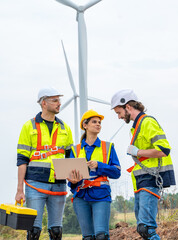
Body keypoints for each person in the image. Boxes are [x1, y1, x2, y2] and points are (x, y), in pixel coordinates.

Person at [111, 89, 175, 240]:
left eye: (119, 112)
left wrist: (138, 152)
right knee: (142, 228)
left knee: (146, 228)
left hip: (151, 178)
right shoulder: (137, 126)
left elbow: (164, 149)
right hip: (142, 180)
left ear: (127, 107)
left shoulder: (147, 122)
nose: (119, 117)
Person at [15, 87, 74, 240]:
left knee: (56, 231)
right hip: (35, 184)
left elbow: (70, 159)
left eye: (59, 100)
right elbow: (22, 160)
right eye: (55, 100)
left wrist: (72, 177)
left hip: (58, 184)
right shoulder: (29, 126)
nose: (59, 103)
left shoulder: (65, 128)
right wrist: (19, 189)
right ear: (43, 103)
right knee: (34, 230)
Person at [67, 109, 121, 240]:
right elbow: (70, 180)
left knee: (101, 236)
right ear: (85, 125)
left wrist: (99, 165)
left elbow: (116, 172)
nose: (98, 125)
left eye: (99, 122)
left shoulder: (108, 147)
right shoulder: (75, 149)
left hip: (101, 195)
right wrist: (73, 181)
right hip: (81, 197)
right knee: (88, 238)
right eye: (94, 122)